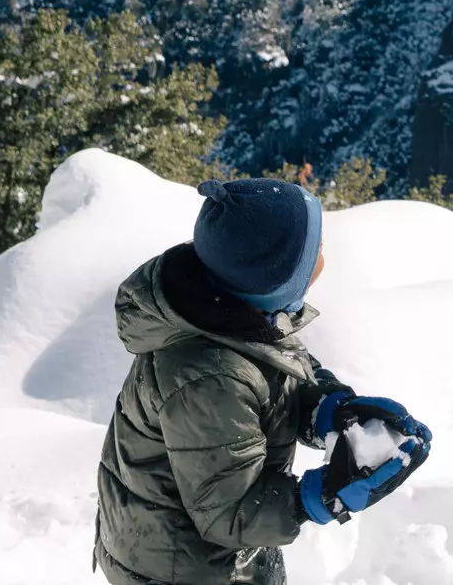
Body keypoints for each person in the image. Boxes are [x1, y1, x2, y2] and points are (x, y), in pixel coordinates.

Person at [95, 177, 433, 585]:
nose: (325, 253)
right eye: (317, 248)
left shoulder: (235, 312)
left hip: (216, 555)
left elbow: (279, 372)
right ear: (278, 275)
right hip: (181, 569)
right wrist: (320, 496)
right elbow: (229, 513)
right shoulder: (210, 376)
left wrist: (328, 409)